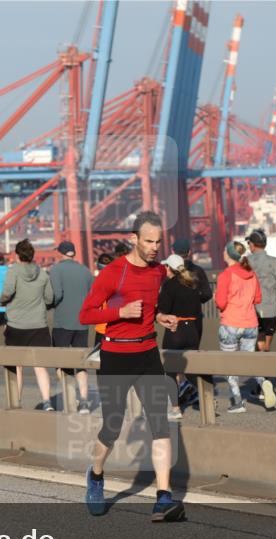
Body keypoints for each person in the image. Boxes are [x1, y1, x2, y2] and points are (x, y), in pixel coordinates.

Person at [79, 211, 183, 521]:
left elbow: (150, 307)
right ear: (133, 239)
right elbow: (85, 315)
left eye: (158, 242)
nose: (154, 247)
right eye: (149, 241)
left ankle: (163, 497)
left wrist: (160, 317)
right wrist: (120, 312)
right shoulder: (113, 272)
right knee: (112, 425)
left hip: (148, 353)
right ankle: (96, 475)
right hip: (116, 356)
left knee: (160, 424)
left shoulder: (158, 273)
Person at [0, 239, 55, 410]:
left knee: (17, 366)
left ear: (17, 255)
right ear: (32, 255)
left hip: (16, 325)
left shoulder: (13, 272)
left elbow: (7, 293)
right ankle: (47, 402)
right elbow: (49, 298)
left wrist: (3, 301)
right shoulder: (43, 273)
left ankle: (16, 402)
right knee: (40, 366)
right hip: (39, 325)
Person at [246, 229, 276, 408]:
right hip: (271, 308)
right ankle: (269, 380)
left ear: (252, 244)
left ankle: (263, 384)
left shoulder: (246, 262)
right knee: (266, 345)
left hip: (253, 309)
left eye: (249, 242)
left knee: (259, 347)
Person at [216, 240, 263, 414]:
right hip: (251, 323)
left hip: (230, 323)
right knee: (250, 359)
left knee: (229, 364)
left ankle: (237, 401)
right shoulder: (251, 274)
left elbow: (221, 303)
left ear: (228, 254)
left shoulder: (225, 275)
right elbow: (258, 299)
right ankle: (262, 382)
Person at [49, 241, 95, 413]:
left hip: (62, 322)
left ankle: (71, 398)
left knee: (61, 362)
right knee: (80, 363)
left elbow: (57, 294)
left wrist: (50, 304)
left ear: (60, 253)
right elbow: (92, 295)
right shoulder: (85, 271)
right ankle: (84, 401)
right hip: (82, 323)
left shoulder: (56, 270)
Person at [158, 253, 203, 419]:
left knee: (170, 371)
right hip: (191, 329)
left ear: (169, 268)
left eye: (166, 266)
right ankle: (206, 396)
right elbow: (198, 312)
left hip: (175, 329)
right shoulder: (192, 284)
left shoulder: (169, 286)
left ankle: (176, 409)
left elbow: (163, 309)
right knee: (191, 369)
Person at [170, 238, 213, 341]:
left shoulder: (168, 271)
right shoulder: (198, 270)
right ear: (189, 252)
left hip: (173, 320)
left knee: (173, 354)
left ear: (172, 251)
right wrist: (196, 299)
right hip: (194, 319)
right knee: (193, 350)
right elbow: (207, 294)